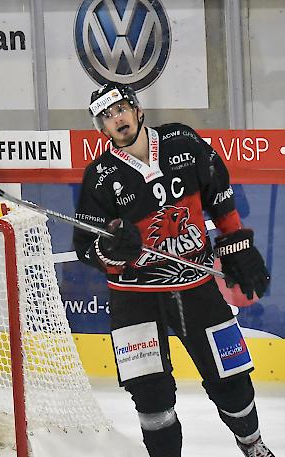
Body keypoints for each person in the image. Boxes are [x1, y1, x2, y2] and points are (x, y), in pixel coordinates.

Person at [72, 82, 273, 457]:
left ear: (137, 110)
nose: (116, 119)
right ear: (101, 129)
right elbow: (87, 248)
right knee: (150, 397)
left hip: (196, 284)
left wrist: (235, 242)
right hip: (133, 299)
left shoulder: (182, 141)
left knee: (231, 377)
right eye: (106, 116)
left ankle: (253, 443)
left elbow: (218, 192)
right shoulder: (99, 177)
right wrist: (112, 248)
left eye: (120, 109)